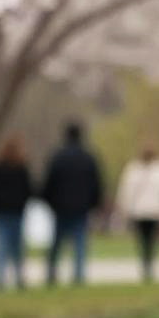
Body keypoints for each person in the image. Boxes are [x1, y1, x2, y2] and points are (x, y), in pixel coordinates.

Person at [41, 121, 103, 286]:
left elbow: (49, 183)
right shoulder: (88, 158)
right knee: (80, 243)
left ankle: (51, 274)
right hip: (81, 207)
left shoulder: (57, 157)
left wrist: (50, 202)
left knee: (56, 243)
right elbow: (96, 183)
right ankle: (79, 276)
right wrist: (94, 203)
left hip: (60, 206)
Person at [114, 142, 159, 282]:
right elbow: (127, 191)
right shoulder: (136, 169)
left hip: (153, 212)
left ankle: (148, 264)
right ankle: (147, 264)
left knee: (150, 239)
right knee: (144, 240)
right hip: (141, 213)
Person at [0, 135, 33, 289]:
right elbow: (28, 190)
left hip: (2, 211)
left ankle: (0, 277)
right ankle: (18, 277)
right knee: (17, 247)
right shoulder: (21, 168)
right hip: (16, 211)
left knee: (2, 245)